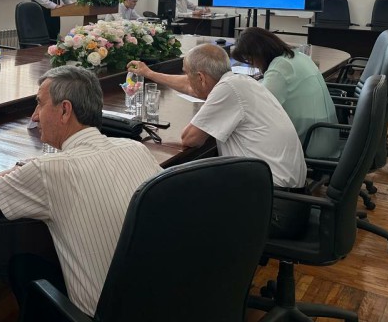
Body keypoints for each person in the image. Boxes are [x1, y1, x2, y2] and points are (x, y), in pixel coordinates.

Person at [0, 66, 162, 317]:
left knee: (23, 265)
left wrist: (23, 166)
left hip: (104, 314)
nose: (34, 116)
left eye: (39, 104)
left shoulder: (49, 170)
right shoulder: (136, 149)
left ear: (64, 110)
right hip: (163, 302)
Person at [128, 44, 308, 239]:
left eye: (187, 73)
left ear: (201, 77)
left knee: (176, 198)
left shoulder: (227, 90)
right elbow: (190, 86)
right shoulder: (239, 82)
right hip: (291, 199)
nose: (187, 79)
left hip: (273, 209)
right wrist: (150, 74)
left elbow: (190, 139)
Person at [232, 27, 340, 158]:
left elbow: (258, 108)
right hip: (325, 137)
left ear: (259, 52)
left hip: (310, 145)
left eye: (250, 60)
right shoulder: (298, 56)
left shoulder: (281, 68)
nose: (253, 65)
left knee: (237, 135)